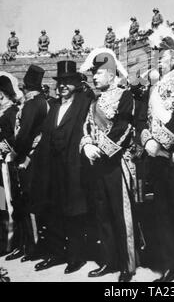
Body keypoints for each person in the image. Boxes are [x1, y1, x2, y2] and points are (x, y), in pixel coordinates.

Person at [134, 24, 174, 282]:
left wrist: (159, 145)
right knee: (162, 214)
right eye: (154, 54)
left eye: (161, 53)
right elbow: (141, 120)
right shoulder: (149, 88)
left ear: (173, 55)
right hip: (155, 157)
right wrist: (148, 142)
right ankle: (171, 265)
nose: (157, 58)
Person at [79, 48, 136, 282]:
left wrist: (100, 148)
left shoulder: (125, 96)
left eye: (99, 73)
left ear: (112, 75)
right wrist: (86, 146)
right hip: (97, 164)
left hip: (116, 163)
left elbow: (124, 127)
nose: (94, 77)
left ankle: (126, 264)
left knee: (120, 215)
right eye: (93, 73)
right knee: (101, 214)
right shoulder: (94, 102)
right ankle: (109, 260)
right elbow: (86, 128)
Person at [32, 61, 93, 274]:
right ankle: (56, 253)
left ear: (77, 83)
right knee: (53, 210)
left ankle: (76, 257)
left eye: (68, 82)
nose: (63, 86)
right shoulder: (55, 106)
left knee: (74, 212)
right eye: (60, 82)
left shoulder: (84, 102)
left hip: (74, 166)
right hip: (52, 168)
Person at [7, 65, 48, 262]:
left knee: (27, 202)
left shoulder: (32, 105)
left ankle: (31, 247)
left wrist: (15, 155)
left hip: (27, 160)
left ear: (27, 87)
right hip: (39, 158)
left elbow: (24, 136)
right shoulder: (43, 102)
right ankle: (32, 246)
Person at [0, 73, 23, 257]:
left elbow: (15, 140)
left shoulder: (11, 112)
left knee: (7, 203)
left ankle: (10, 241)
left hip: (7, 166)